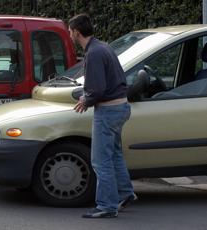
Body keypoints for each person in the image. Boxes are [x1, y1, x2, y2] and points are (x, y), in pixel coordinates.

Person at [68, 14, 137, 218]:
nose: (69, 35)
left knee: (100, 160)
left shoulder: (94, 53)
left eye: (70, 31)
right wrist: (88, 96)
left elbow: (97, 89)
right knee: (114, 154)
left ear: (76, 32)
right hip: (120, 108)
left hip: (108, 111)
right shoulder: (103, 47)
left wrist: (85, 100)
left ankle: (106, 206)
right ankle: (125, 194)